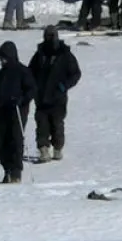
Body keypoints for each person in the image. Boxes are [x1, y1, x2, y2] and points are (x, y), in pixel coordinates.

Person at [28, 25, 82, 162]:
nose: (50, 39)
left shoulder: (65, 54)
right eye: (47, 36)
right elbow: (30, 72)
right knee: (41, 124)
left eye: (52, 36)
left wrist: (64, 86)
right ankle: (43, 149)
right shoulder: (39, 54)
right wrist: (33, 87)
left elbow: (75, 73)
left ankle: (58, 147)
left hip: (58, 97)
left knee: (57, 124)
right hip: (41, 97)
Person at [0, 41, 35, 183]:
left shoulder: (23, 71)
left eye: (4, 57)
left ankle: (16, 172)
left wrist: (22, 99)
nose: (2, 60)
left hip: (18, 111)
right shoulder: (2, 73)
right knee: (0, 142)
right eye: (1, 58)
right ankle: (7, 169)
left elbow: (31, 90)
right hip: (3, 111)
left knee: (15, 140)